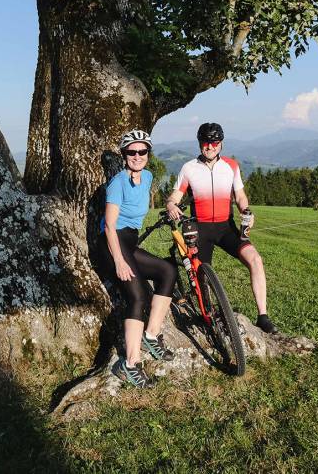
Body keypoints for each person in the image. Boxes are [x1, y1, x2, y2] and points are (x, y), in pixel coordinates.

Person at [165, 122, 278, 334]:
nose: (210, 146)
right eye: (206, 142)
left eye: (214, 142)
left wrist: (247, 211)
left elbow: (240, 196)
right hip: (201, 229)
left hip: (227, 228)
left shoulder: (231, 166)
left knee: (255, 259)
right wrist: (171, 205)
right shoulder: (189, 168)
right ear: (200, 143)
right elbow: (174, 197)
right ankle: (208, 315)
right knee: (202, 277)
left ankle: (263, 316)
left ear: (221, 144)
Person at [95, 129, 177, 388]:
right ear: (124, 155)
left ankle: (151, 335)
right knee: (138, 295)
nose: (137, 156)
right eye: (132, 152)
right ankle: (129, 364)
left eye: (142, 151)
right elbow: (109, 226)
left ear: (148, 154)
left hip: (129, 241)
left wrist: (170, 205)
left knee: (167, 271)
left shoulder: (149, 176)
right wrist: (119, 261)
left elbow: (146, 204)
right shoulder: (117, 183)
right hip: (112, 243)